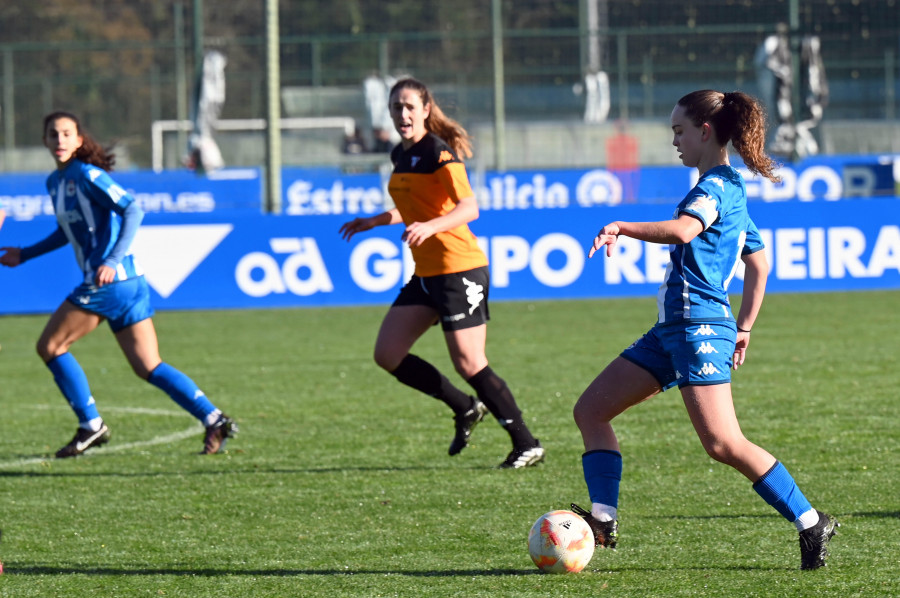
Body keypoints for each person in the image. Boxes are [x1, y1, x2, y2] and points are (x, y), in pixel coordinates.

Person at [569, 90, 838, 569]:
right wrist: (747, 326)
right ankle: (603, 520)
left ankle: (810, 521)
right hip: (671, 330)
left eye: (679, 131)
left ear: (705, 131)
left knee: (723, 444)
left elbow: (684, 232)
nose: (674, 141)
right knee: (591, 410)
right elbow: (759, 262)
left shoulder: (713, 190)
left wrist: (621, 226)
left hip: (697, 328)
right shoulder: (728, 188)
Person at [0, 111, 237, 458]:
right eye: (54, 134)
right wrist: (26, 254)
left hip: (109, 282)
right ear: (45, 141)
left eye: (67, 134)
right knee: (149, 366)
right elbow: (67, 231)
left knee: (50, 346)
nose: (61, 140)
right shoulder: (55, 182)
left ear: (79, 140)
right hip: (128, 285)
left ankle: (91, 425)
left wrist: (110, 262)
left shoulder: (88, 175)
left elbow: (133, 209)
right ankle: (214, 419)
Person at [339, 78, 543, 469]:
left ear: (426, 109)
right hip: (427, 273)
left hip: (459, 269)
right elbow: (417, 207)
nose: (403, 114)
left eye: (410, 106)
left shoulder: (439, 152)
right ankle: (465, 407)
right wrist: (376, 220)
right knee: (388, 353)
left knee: (469, 362)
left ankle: (526, 442)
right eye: (396, 107)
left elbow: (468, 208)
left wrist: (431, 227)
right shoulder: (401, 153)